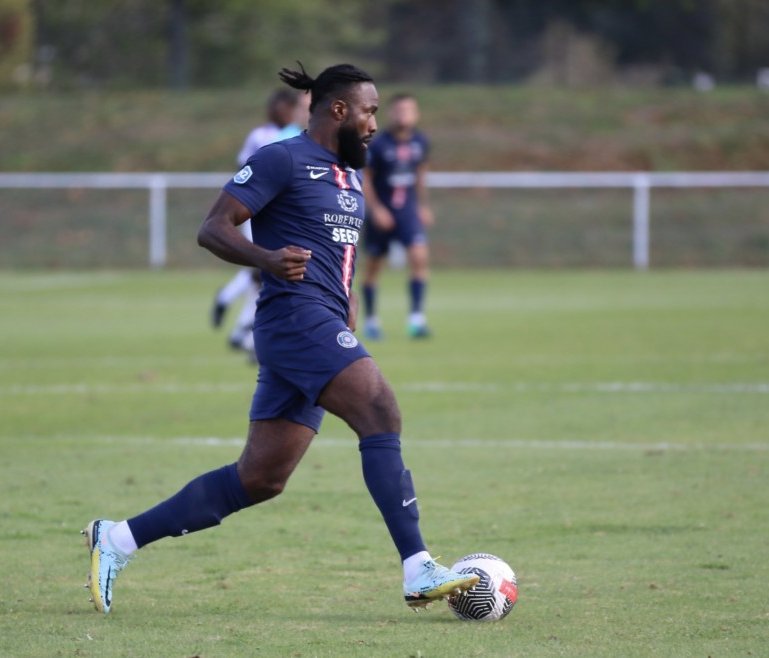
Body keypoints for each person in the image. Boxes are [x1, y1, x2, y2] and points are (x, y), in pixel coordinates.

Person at [83, 63, 478, 614]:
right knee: (380, 411)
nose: (374, 124)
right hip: (293, 319)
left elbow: (337, 250)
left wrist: (348, 302)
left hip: (323, 320)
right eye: (369, 111)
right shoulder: (282, 158)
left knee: (262, 477)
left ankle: (117, 538)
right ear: (338, 110)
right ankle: (417, 567)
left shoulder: (349, 174)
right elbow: (214, 227)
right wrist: (266, 258)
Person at [211, 89, 301, 358]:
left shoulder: (299, 136)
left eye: (282, 107)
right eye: (274, 106)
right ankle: (246, 329)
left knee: (267, 273)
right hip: (256, 211)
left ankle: (242, 328)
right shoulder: (259, 135)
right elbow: (245, 172)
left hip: (283, 215)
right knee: (261, 267)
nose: (276, 111)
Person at [360, 93, 434, 340]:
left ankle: (416, 319)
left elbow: (420, 174)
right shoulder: (379, 145)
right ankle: (371, 320)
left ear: (416, 114)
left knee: (419, 257)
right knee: (373, 268)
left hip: (407, 213)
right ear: (391, 113)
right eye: (399, 110)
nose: (404, 115)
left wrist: (423, 206)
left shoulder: (420, 142)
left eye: (409, 110)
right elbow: (366, 179)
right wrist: (376, 209)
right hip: (382, 214)